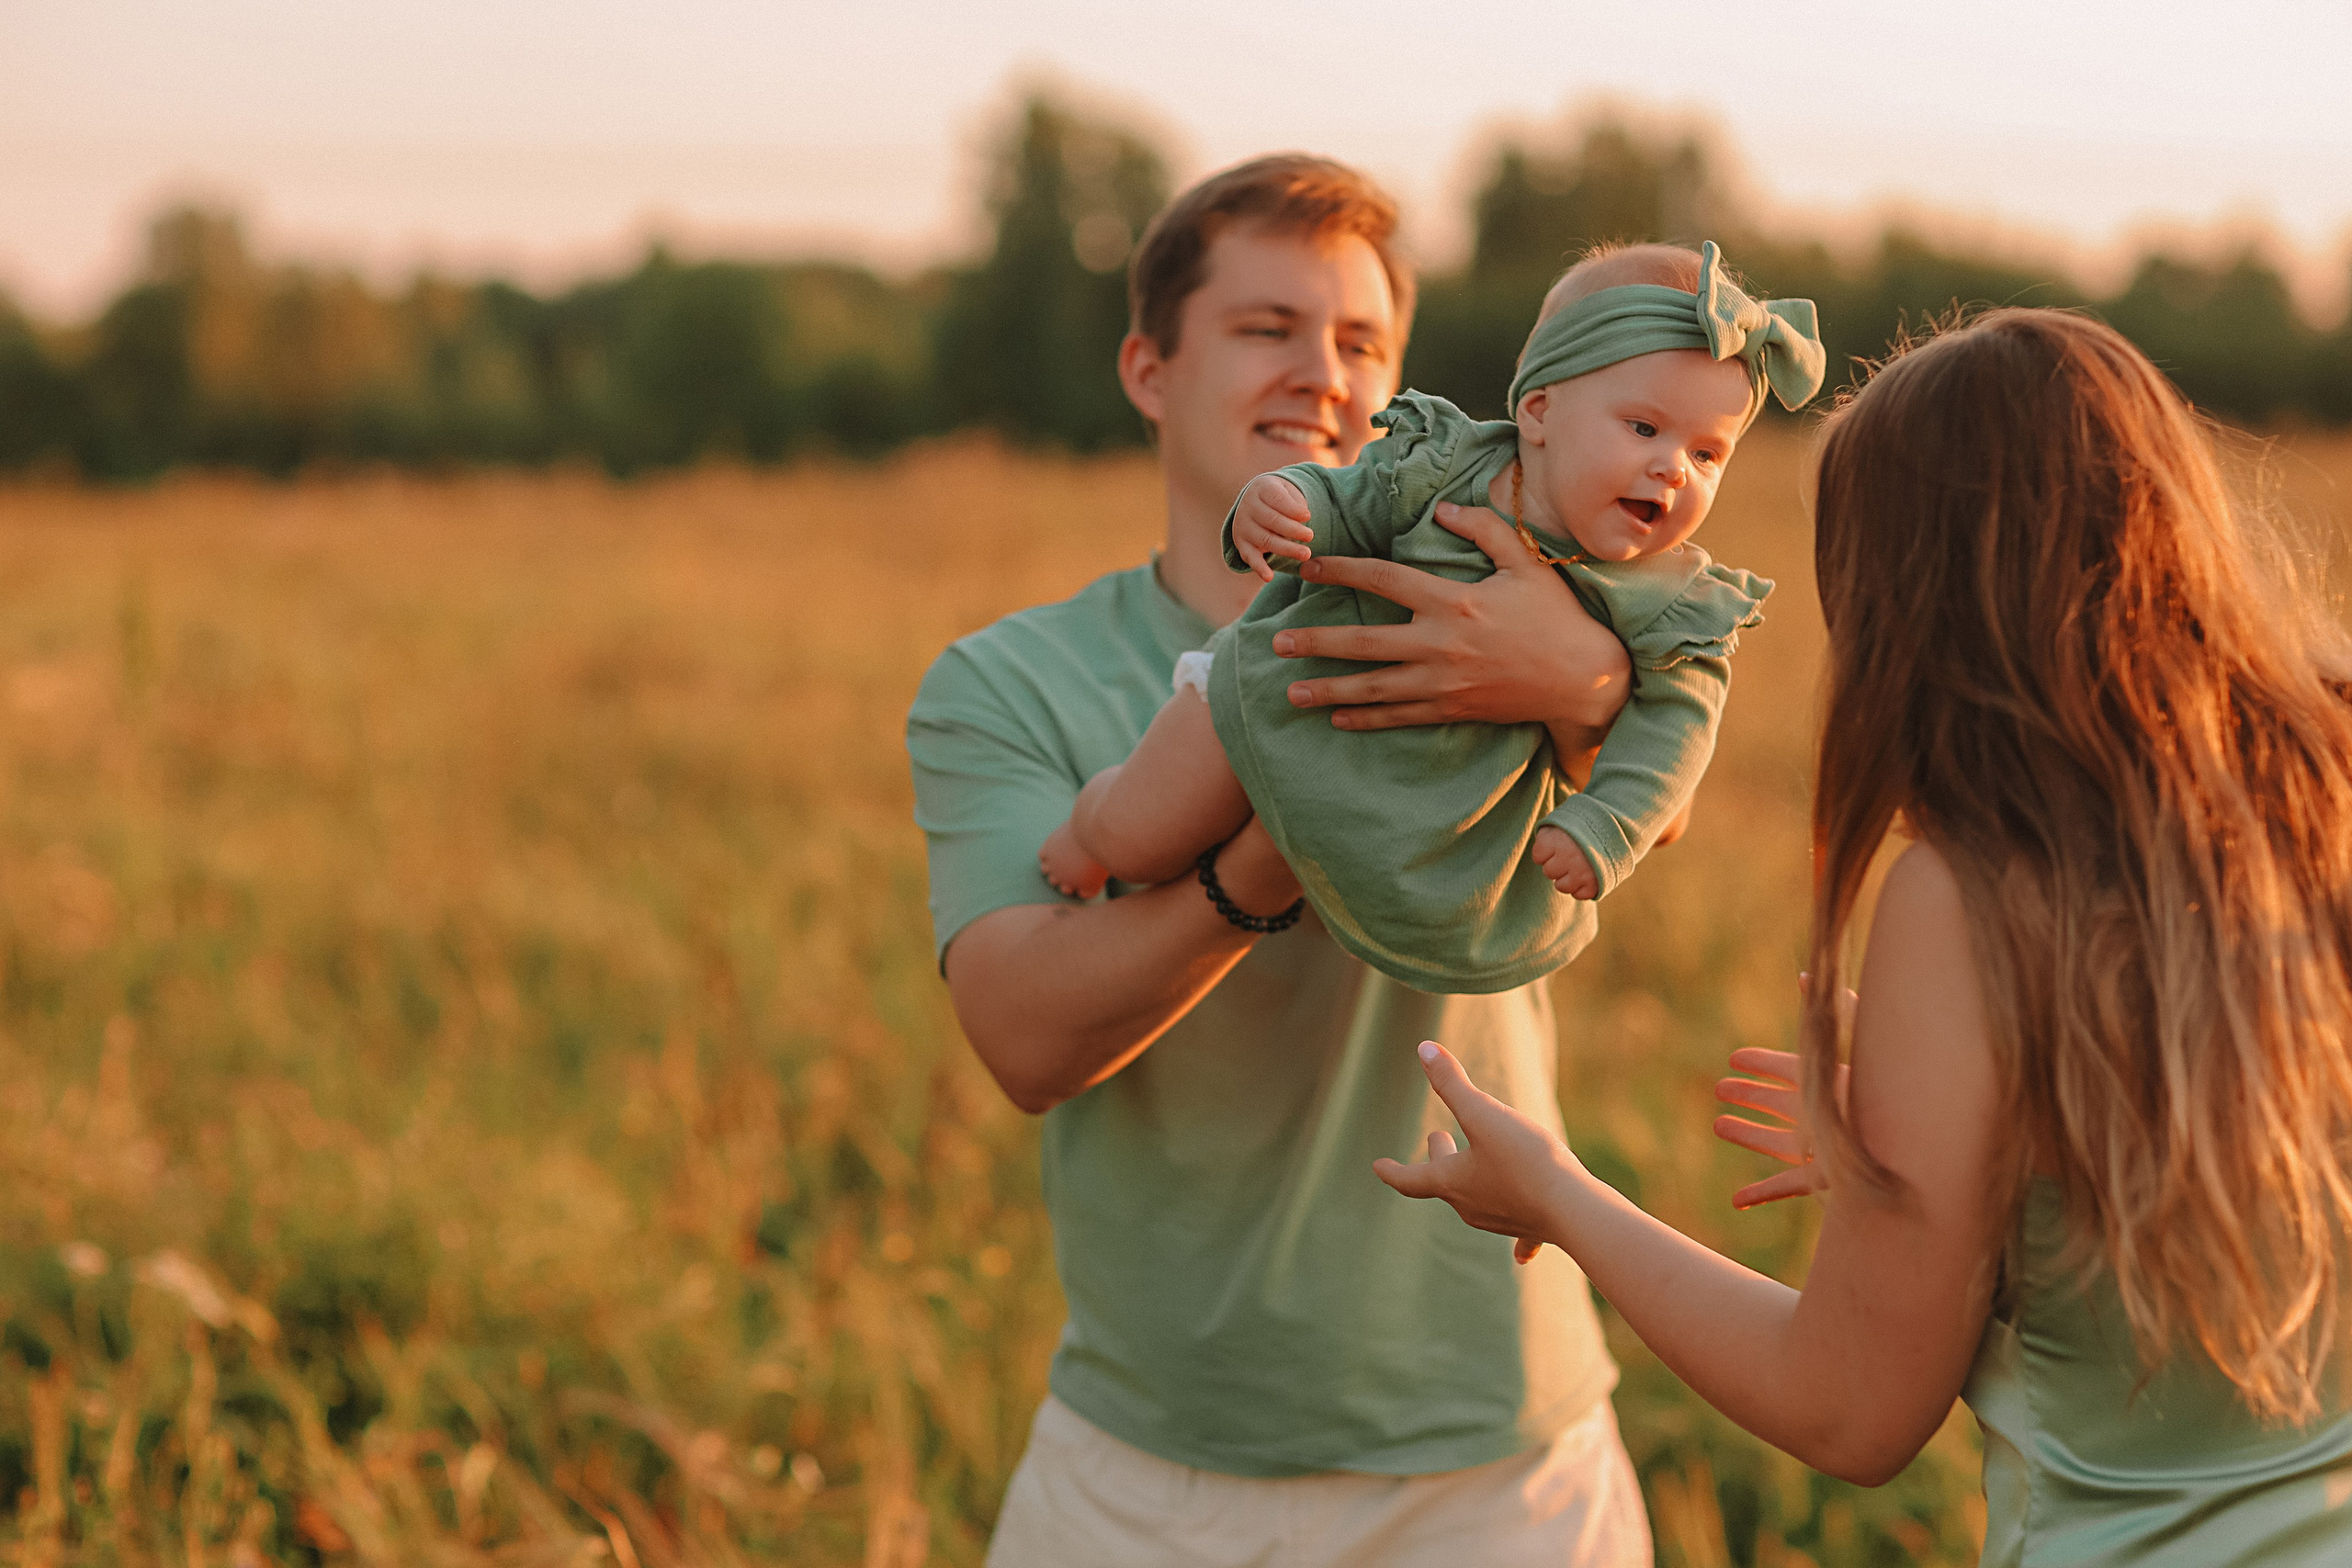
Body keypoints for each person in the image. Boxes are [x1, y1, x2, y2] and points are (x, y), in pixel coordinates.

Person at [1376, 308, 2352, 1564]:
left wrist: (1558, 1195)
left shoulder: (1974, 897)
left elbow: (1846, 1404)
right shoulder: (2322, 777)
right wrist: (1957, 1155)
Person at [908, 155, 1656, 1564]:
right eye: (1268, 327)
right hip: (1153, 1472)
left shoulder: (1528, 604)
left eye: (1363, 341)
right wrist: (1279, 845)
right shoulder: (1008, 680)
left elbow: (1652, 805)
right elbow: (1023, 1033)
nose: (1325, 372)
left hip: (1502, 1460)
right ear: (1149, 367)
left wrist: (1593, 683)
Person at [1038, 241, 1822, 993]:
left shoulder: (1673, 598)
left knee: (1443, 906)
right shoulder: (1450, 463)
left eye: (1709, 454)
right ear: (1540, 411)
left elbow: (1679, 731)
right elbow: (1352, 496)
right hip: (1280, 687)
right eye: (1645, 428)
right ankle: (1088, 828)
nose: (1672, 467)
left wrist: (1608, 824)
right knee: (1140, 831)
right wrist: (1286, 502)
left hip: (1427, 791)